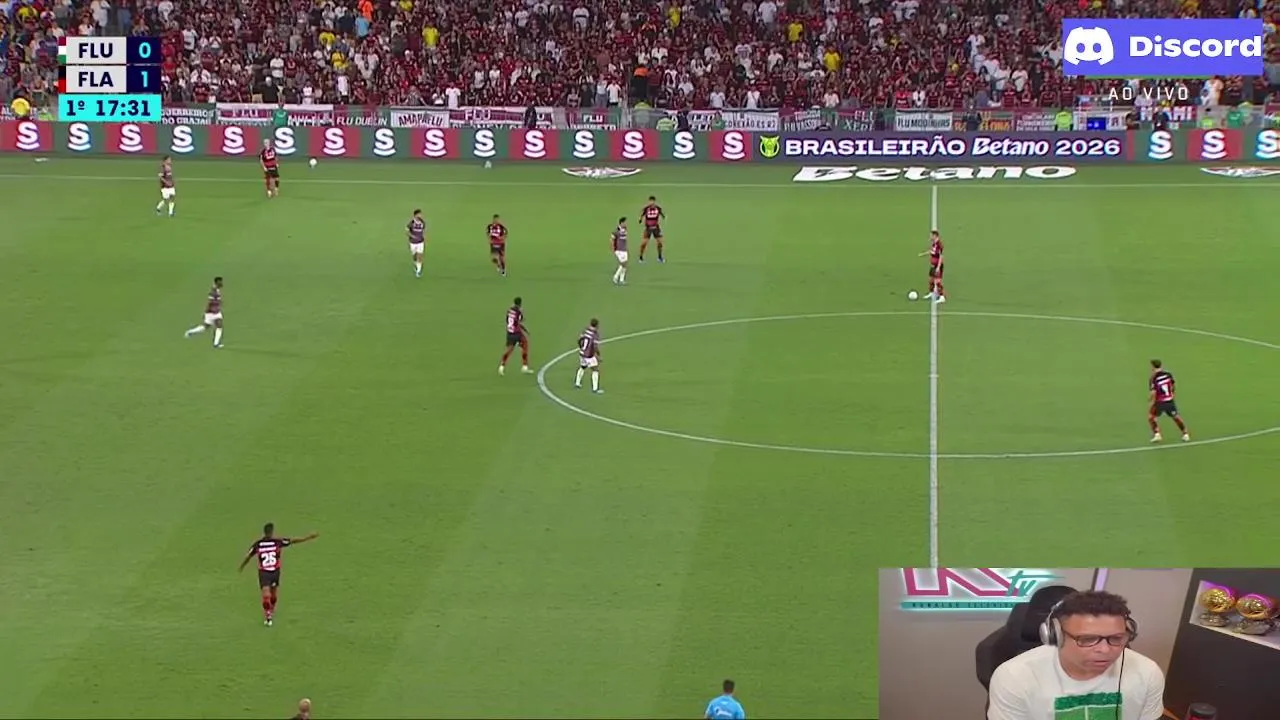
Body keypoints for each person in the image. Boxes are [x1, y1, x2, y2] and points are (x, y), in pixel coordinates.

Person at [987, 590, 1165, 720]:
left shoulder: (1147, 672)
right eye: (1088, 639)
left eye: (1116, 638)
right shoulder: (1014, 677)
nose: (1105, 650)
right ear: (1056, 636)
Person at [238, 522, 319, 626]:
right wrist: (308, 537)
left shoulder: (269, 542)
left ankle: (271, 609)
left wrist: (307, 538)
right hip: (264, 573)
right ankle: (268, 616)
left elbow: (292, 541)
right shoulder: (266, 543)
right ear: (271, 532)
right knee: (266, 596)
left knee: (273, 597)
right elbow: (249, 555)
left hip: (275, 572)